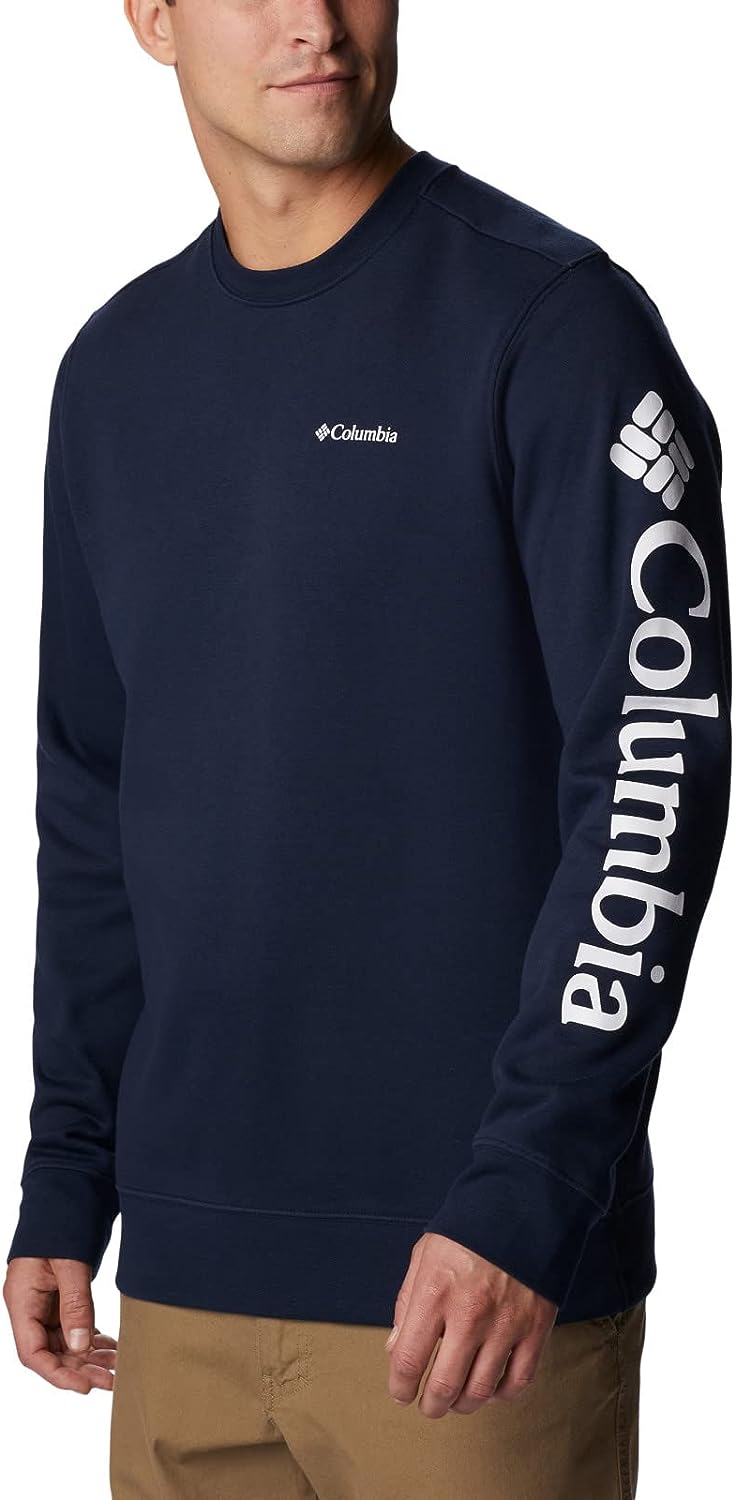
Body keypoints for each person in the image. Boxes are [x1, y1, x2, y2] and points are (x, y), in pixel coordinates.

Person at [4, 2, 731, 1497]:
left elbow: (654, 771)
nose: (315, 21)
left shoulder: (556, 325)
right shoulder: (116, 371)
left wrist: (530, 1189)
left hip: (472, 1296)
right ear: (153, 18)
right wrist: (68, 1170)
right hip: (183, 1285)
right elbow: (91, 801)